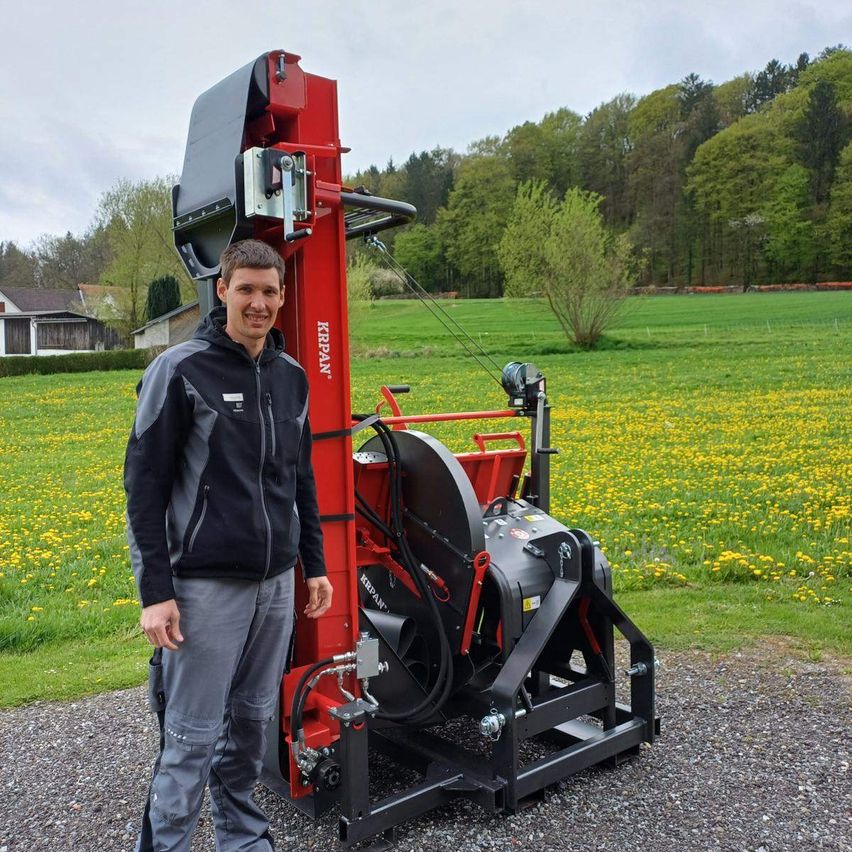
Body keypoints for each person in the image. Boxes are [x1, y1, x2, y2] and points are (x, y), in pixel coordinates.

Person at [124, 239, 333, 851]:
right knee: (190, 736)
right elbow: (144, 487)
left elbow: (300, 479)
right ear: (222, 291)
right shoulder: (181, 370)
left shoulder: (291, 378)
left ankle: (241, 838)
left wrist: (314, 565)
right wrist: (155, 593)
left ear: (282, 296)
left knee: (250, 725)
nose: (257, 303)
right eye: (246, 289)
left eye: (269, 291)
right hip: (205, 588)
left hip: (274, 586)